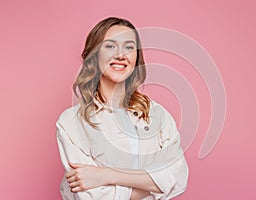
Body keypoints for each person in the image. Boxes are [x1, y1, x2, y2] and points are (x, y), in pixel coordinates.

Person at [56, 17, 189, 200]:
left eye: (129, 47)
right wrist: (153, 188)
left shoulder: (157, 115)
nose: (121, 55)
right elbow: (91, 195)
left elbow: (178, 177)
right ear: (94, 56)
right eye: (110, 46)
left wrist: (107, 175)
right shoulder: (70, 122)